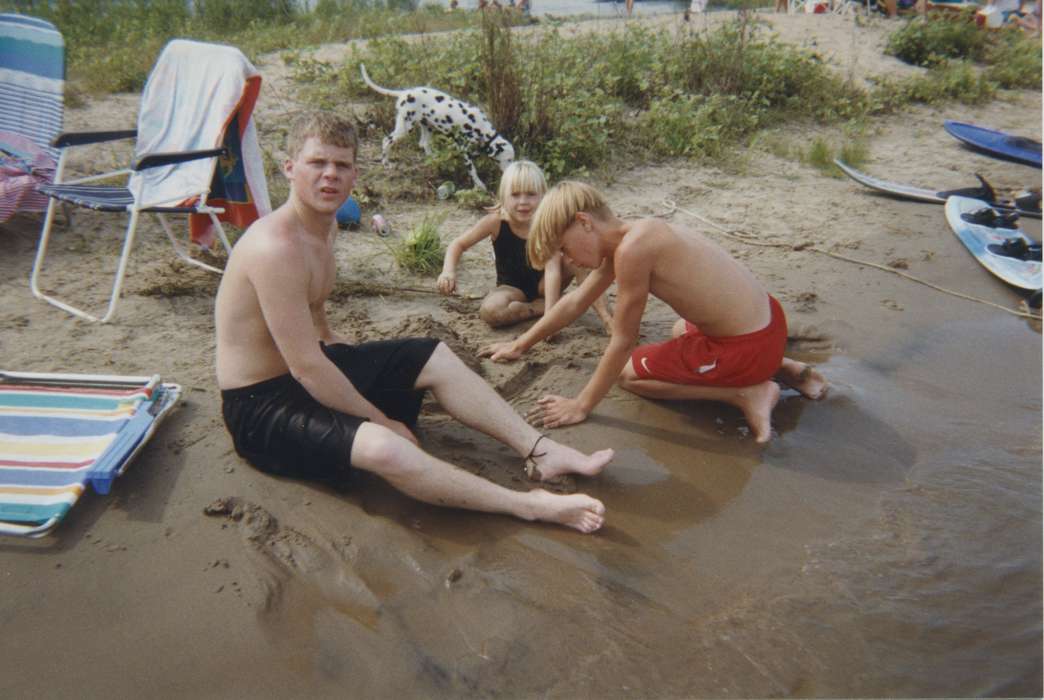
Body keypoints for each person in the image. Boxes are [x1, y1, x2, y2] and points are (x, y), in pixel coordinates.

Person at [214, 113, 612, 533]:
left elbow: (314, 317)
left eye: (342, 165)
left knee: (431, 354)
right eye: (317, 163)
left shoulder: (324, 226)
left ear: (355, 175)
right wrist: (381, 421)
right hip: (261, 407)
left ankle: (541, 450)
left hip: (308, 369)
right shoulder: (275, 248)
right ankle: (526, 505)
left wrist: (340, 346)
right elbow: (306, 367)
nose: (330, 175)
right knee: (387, 448)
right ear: (290, 169)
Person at [480, 181, 828, 444]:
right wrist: (521, 344)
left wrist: (581, 405)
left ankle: (746, 392)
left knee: (630, 374)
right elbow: (575, 302)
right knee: (681, 329)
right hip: (769, 322)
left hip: (747, 348)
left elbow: (623, 340)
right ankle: (781, 366)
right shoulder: (635, 234)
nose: (568, 260)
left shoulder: (632, 252)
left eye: (564, 247)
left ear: (584, 222)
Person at [437, 160, 612, 330]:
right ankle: (539, 308)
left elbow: (552, 271)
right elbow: (458, 244)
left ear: (544, 196)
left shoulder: (547, 225)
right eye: (515, 195)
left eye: (530, 194)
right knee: (490, 311)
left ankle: (608, 320)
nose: (523, 202)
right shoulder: (495, 222)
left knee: (577, 263)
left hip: (546, 284)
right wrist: (448, 271)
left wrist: (549, 318)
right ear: (503, 197)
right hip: (512, 287)